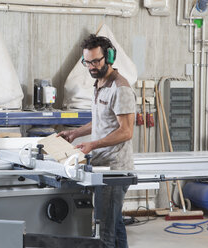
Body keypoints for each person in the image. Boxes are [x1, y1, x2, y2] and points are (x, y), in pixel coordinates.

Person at [58, 34, 136, 248]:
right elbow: (100, 121)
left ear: (109, 57)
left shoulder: (120, 88)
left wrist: (92, 145)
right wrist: (75, 133)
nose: (91, 66)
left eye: (96, 61)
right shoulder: (99, 83)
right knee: (115, 223)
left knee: (106, 231)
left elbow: (126, 131)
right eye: (87, 62)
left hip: (115, 170)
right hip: (102, 165)